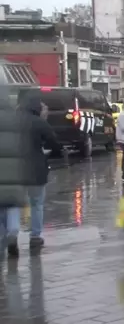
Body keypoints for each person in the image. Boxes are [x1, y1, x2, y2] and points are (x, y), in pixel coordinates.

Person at [0, 90, 60, 258]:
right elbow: (55, 144)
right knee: (37, 204)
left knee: (13, 205)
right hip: (36, 172)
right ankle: (35, 237)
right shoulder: (40, 123)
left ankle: (12, 234)